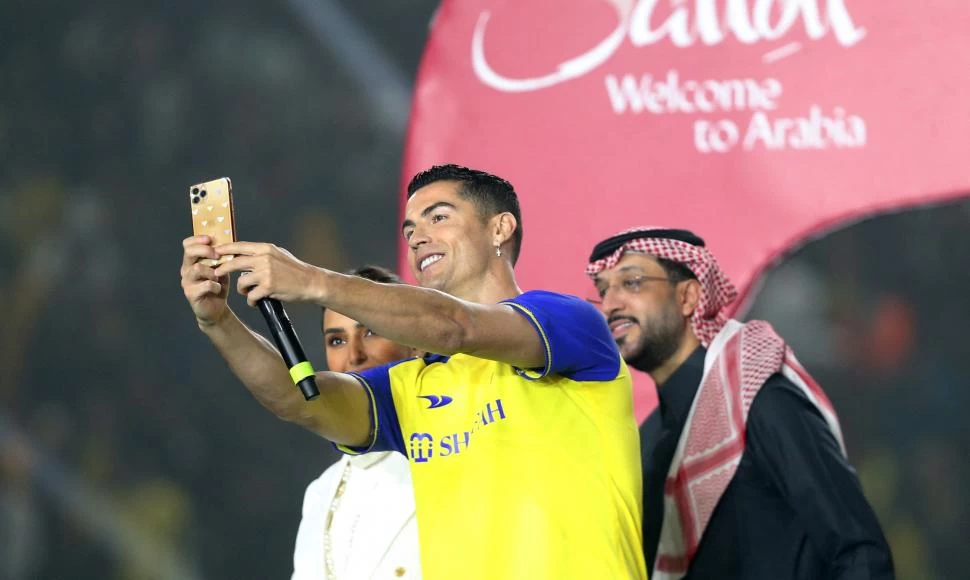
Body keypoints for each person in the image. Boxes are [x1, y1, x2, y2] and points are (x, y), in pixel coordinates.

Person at [180, 164, 645, 580]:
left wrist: (312, 281)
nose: (417, 236)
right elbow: (293, 398)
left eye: (438, 217)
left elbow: (454, 326)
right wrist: (217, 320)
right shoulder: (410, 387)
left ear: (500, 228)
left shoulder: (567, 322)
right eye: (409, 230)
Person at [585, 227, 894, 580]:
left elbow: (859, 553)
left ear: (687, 297)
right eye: (603, 291)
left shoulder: (758, 398)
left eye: (633, 282)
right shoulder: (647, 440)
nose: (610, 305)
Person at [292, 266, 421, 580]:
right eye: (337, 341)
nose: (354, 356)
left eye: (371, 331)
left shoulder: (452, 451)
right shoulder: (320, 492)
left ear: (417, 343)